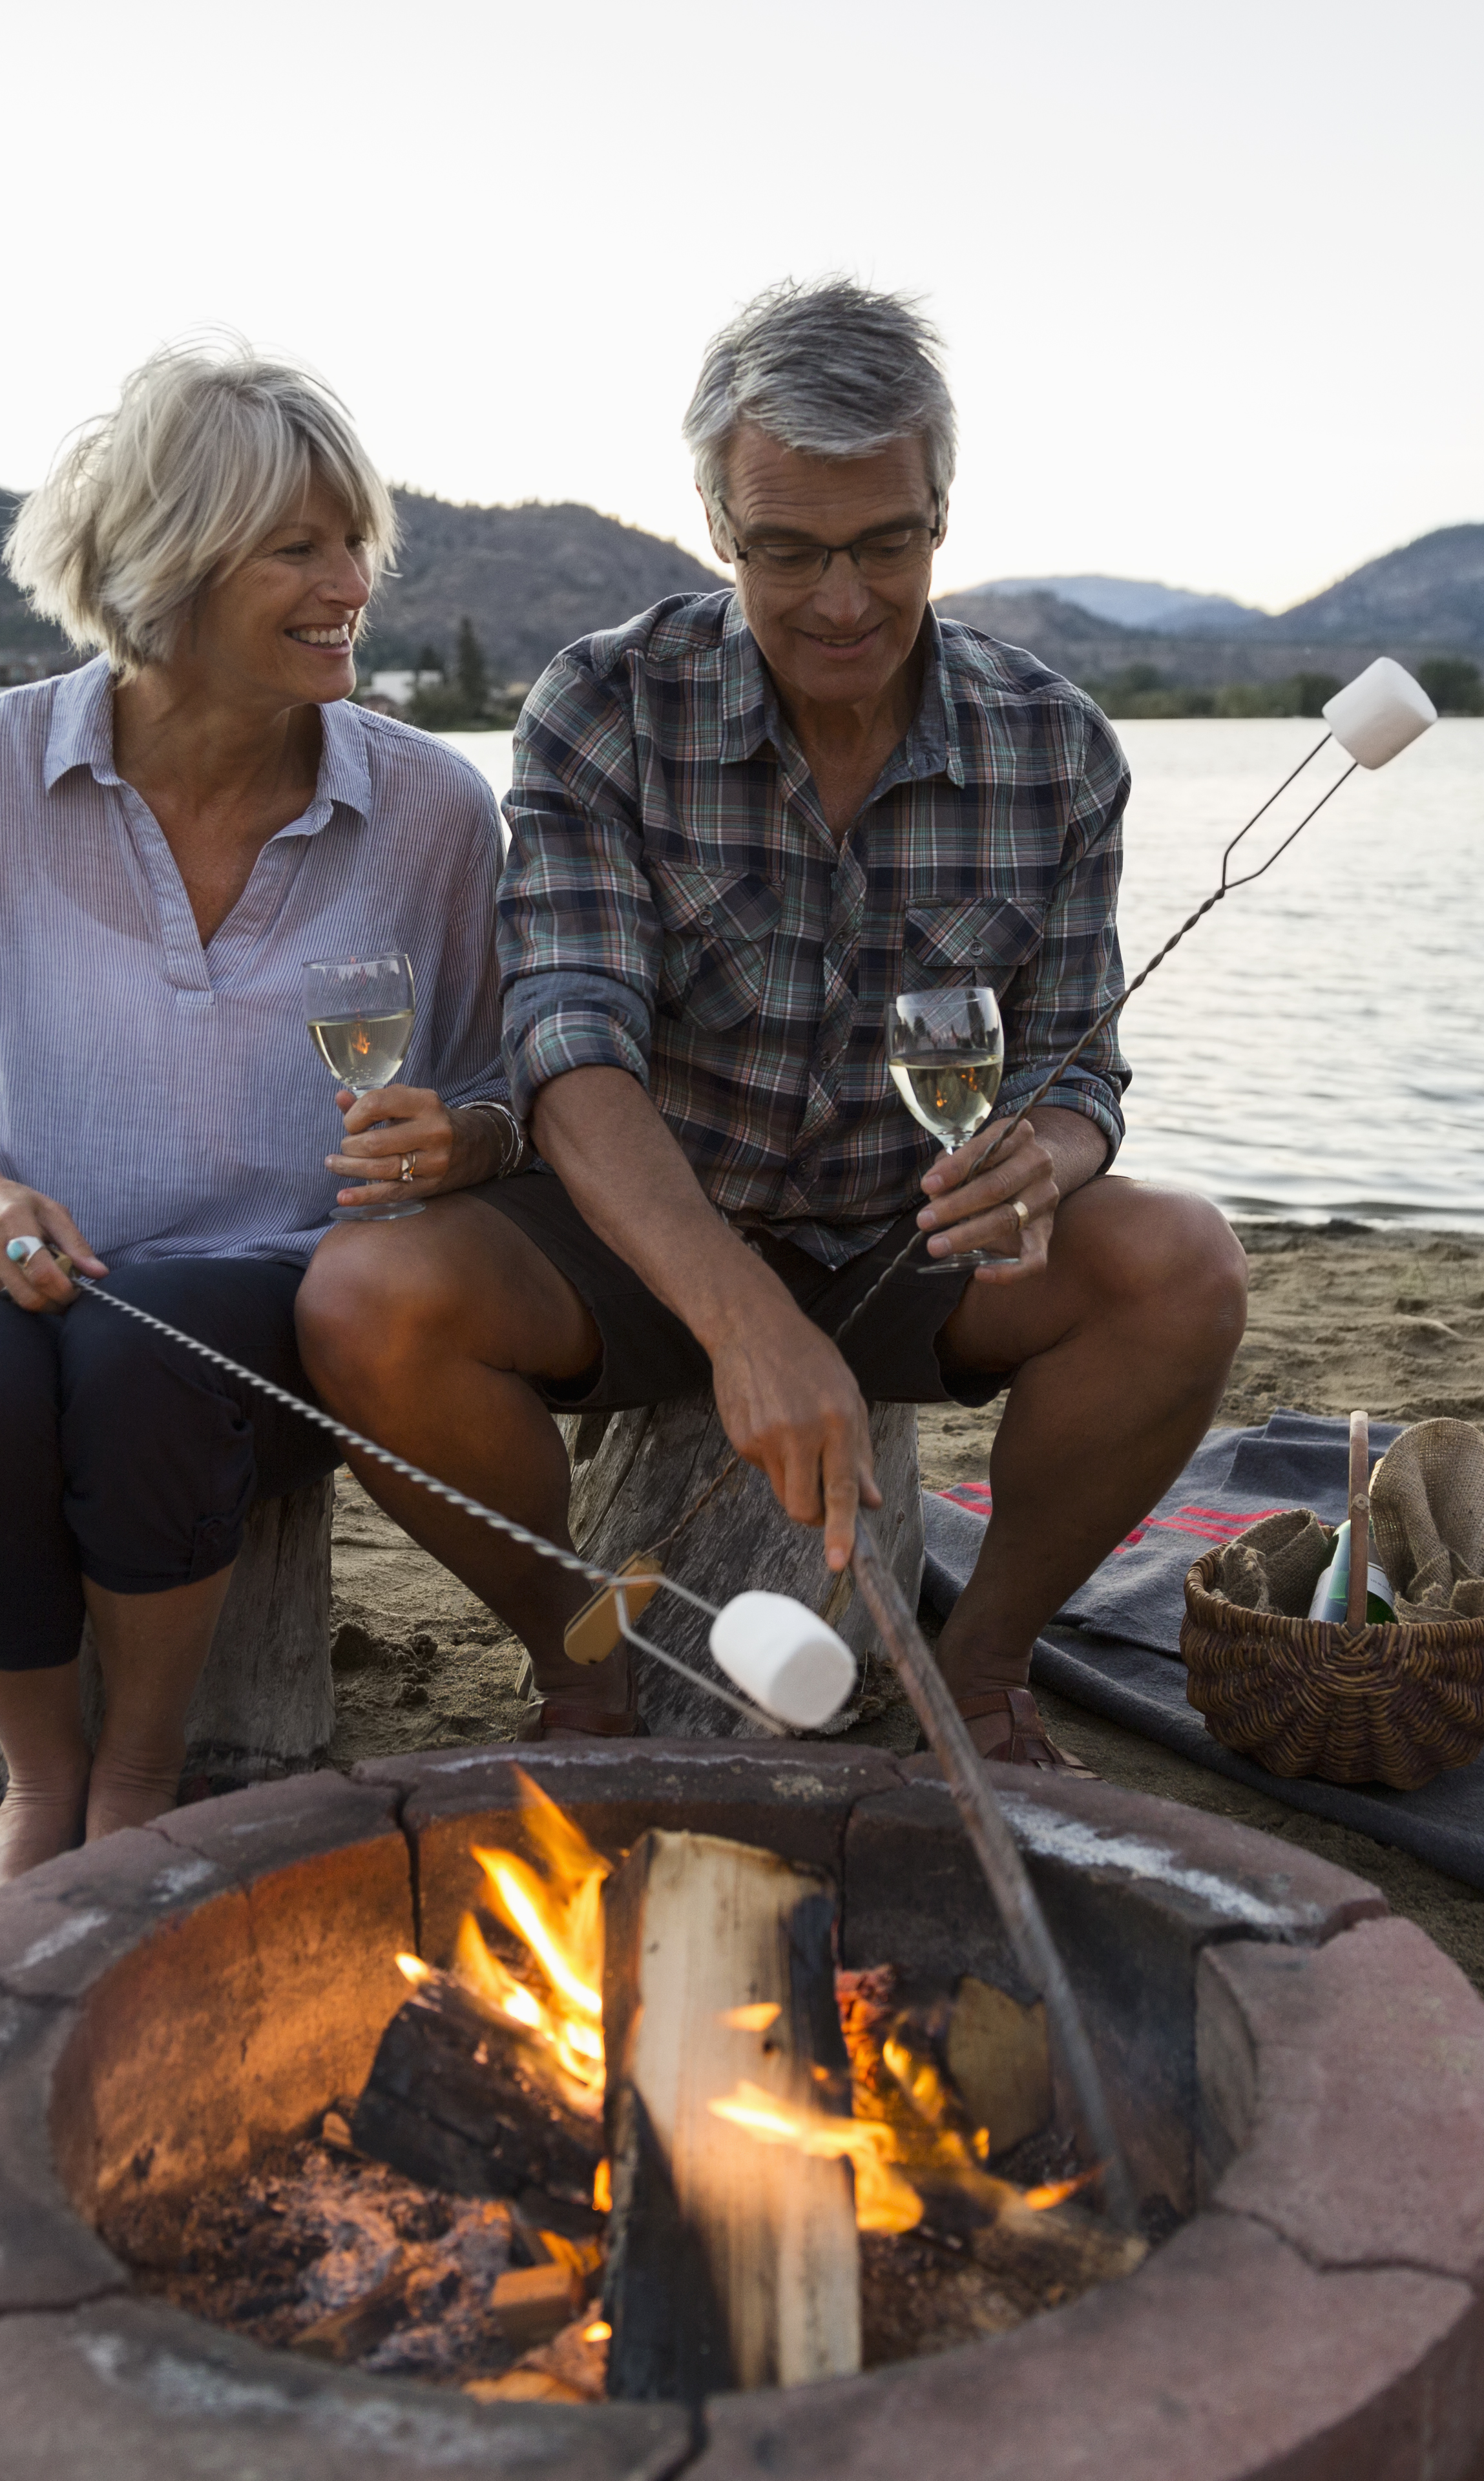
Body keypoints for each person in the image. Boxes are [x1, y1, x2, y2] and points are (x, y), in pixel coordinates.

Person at [299, 278, 1246, 1771]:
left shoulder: (1057, 747)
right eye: (788, 552)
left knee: (1183, 1265)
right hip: (639, 1245)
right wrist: (745, 1323)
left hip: (910, 1248)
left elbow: (1080, 1065)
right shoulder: (605, 705)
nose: (844, 600)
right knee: (361, 1302)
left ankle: (986, 1669)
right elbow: (569, 1050)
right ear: (716, 524)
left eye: (888, 545)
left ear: (943, 510)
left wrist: (1050, 1158)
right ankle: (577, 1660)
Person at [0, 340, 520, 1927]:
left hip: (296, 1313)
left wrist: (462, 1144)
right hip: (43, 1278)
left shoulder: (435, 810)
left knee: (146, 1353)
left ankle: (140, 1782)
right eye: (299, 545)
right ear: (170, 562)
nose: (348, 580)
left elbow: (518, 1095)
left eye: (354, 540)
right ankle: (39, 1788)